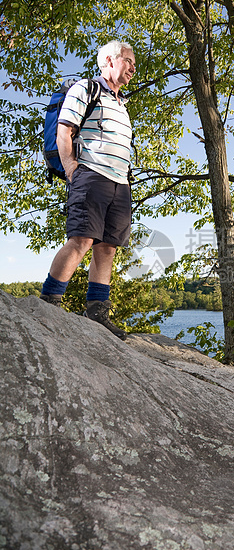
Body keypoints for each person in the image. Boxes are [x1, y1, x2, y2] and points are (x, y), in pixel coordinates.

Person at [40, 40, 136, 341]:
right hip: (90, 176)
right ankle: (49, 305)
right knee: (81, 238)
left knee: (107, 247)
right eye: (128, 60)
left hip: (120, 183)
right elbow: (65, 129)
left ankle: (97, 311)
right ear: (109, 60)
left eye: (134, 63)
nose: (133, 67)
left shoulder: (122, 104)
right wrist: (71, 169)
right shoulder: (86, 89)